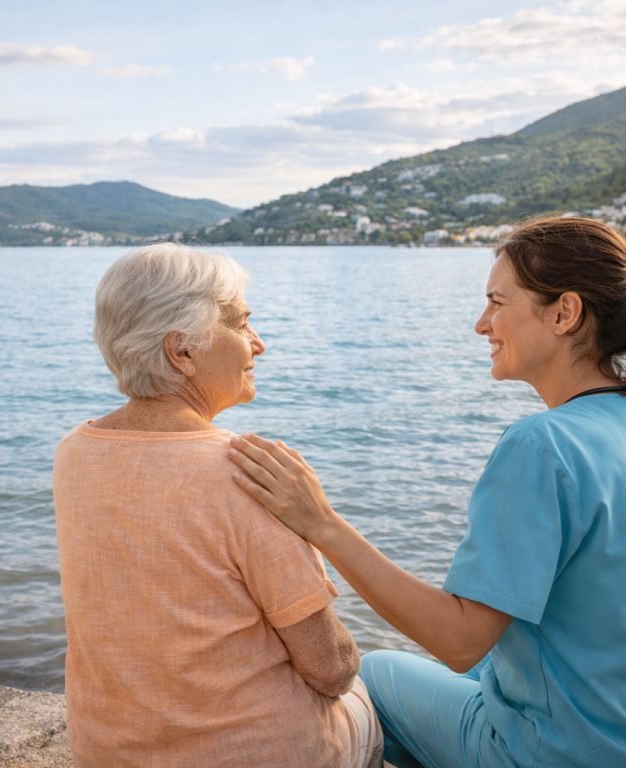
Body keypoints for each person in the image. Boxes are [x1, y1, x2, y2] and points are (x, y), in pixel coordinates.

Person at [228, 216, 626, 767]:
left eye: (497, 302)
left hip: (553, 753)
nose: (481, 324)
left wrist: (321, 522)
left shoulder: (543, 446)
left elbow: (460, 641)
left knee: (378, 674)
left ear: (564, 312)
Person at [53, 243, 384, 768]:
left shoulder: (74, 452)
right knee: (375, 692)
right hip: (257, 755)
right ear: (180, 351)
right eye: (241, 324)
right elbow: (330, 668)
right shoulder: (246, 472)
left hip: (108, 752)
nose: (259, 343)